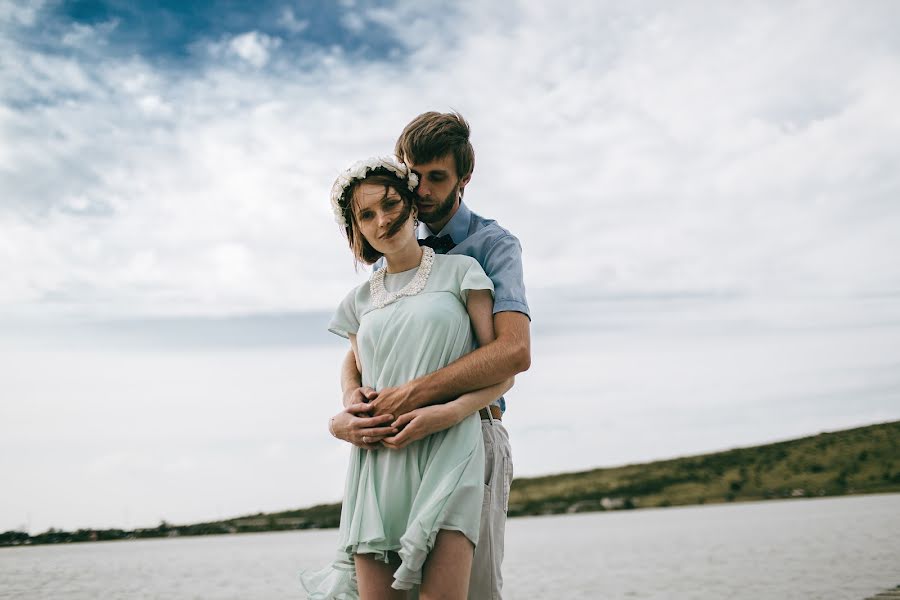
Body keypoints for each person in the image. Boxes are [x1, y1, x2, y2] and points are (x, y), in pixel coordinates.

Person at [329, 112, 531, 599]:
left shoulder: (488, 248)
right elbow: (365, 347)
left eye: (437, 178)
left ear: (465, 178)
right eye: (412, 175)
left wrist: (419, 398)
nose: (420, 189)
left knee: (476, 591)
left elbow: (513, 352)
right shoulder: (395, 248)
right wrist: (345, 412)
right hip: (387, 452)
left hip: (469, 433)